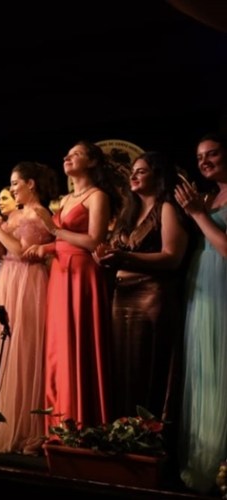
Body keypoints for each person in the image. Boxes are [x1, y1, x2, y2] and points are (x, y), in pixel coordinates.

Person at [31, 140, 120, 429]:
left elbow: (94, 241)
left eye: (76, 154)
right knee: (59, 345)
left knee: (78, 341)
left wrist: (54, 230)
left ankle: (83, 421)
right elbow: (63, 241)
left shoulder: (97, 196)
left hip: (82, 273)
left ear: (92, 162)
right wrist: (46, 247)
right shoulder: (67, 199)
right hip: (60, 272)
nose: (67, 158)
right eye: (67, 154)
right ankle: (59, 422)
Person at [93, 152, 188, 422]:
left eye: (141, 171)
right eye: (133, 171)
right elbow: (115, 251)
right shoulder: (129, 212)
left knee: (147, 367)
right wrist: (102, 258)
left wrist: (125, 257)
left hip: (151, 296)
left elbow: (172, 257)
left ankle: (149, 432)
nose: (133, 176)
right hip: (121, 295)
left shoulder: (166, 207)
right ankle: (124, 431)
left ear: (158, 176)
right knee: (123, 369)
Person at [0, 161, 57, 454]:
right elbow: (1, 251)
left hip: (27, 280)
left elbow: (23, 251)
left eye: (15, 183)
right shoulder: (17, 213)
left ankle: (23, 426)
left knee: (22, 347)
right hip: (8, 277)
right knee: (4, 346)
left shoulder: (40, 213)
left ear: (31, 184)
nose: (12, 188)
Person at [173, 132, 227, 493]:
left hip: (222, 284)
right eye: (199, 157)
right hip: (203, 284)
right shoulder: (209, 196)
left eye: (212, 154)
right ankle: (207, 457)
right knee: (205, 368)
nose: (204, 161)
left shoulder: (206, 204)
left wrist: (197, 215)